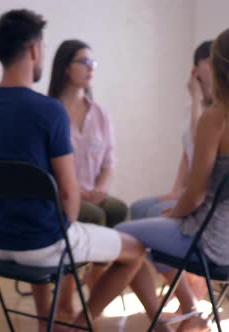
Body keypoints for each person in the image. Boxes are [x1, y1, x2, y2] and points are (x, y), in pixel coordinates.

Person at [72, 27, 229, 332]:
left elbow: (195, 196)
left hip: (210, 243)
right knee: (150, 230)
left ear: (218, 68)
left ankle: (83, 324)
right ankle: (173, 319)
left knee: (125, 235)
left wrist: (174, 214)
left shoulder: (216, 118)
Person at [0, 9, 144, 332]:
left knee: (51, 233)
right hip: (44, 244)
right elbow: (70, 195)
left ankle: (47, 321)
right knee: (136, 248)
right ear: (34, 50)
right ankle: (76, 322)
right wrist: (68, 232)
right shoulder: (50, 111)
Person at [47, 39, 128, 314]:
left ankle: (96, 283)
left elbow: (109, 160)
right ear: (66, 68)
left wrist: (102, 188)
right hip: (62, 194)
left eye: (93, 62)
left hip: (93, 192)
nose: (91, 67)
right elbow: (45, 166)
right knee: (95, 216)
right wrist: (77, 193)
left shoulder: (100, 113)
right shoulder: (50, 110)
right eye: (84, 61)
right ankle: (68, 294)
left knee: (118, 209)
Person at [130, 40, 214, 220]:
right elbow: (187, 154)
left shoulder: (216, 112)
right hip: (186, 191)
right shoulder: (191, 108)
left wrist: (196, 97)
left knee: (154, 213)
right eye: (209, 61)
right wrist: (175, 191)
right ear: (196, 69)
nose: (215, 67)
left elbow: (199, 142)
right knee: (137, 208)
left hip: (203, 197)